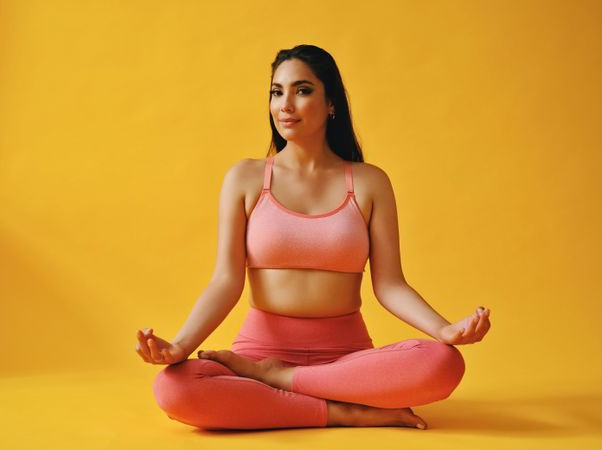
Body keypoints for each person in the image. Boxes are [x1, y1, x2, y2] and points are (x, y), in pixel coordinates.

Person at [135, 44, 491, 431]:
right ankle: (341, 411)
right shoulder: (246, 178)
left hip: (345, 361)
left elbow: (390, 284)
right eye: (277, 92)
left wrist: (443, 330)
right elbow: (226, 280)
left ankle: (277, 382)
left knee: (443, 363)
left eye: (302, 90)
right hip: (258, 351)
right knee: (175, 389)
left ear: (331, 103)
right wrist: (181, 347)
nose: (285, 104)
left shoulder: (370, 182)